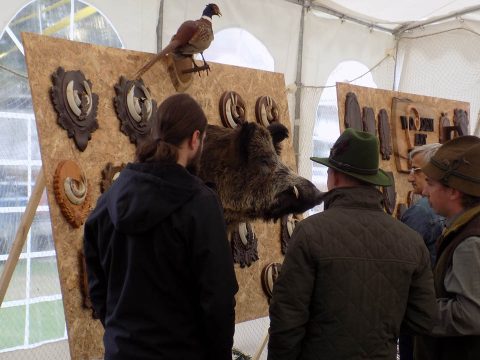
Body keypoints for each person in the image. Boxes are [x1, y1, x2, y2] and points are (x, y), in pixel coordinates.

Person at [84, 93, 238, 360]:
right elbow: (218, 299)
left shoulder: (110, 198)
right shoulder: (200, 205)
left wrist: (121, 332)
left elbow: (97, 285)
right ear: (194, 139)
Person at [268, 128, 436, 360]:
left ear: (333, 176)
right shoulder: (411, 241)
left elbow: (287, 319)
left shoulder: (310, 233)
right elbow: (424, 318)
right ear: (373, 181)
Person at [415, 135, 480, 360]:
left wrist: (414, 309)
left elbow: (469, 315)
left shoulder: (470, 241)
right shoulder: (464, 230)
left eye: (431, 184)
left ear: (454, 191)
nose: (424, 192)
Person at [399, 144, 445, 360]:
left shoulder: (420, 214)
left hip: (420, 319)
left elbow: (402, 266)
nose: (410, 177)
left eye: (415, 170)